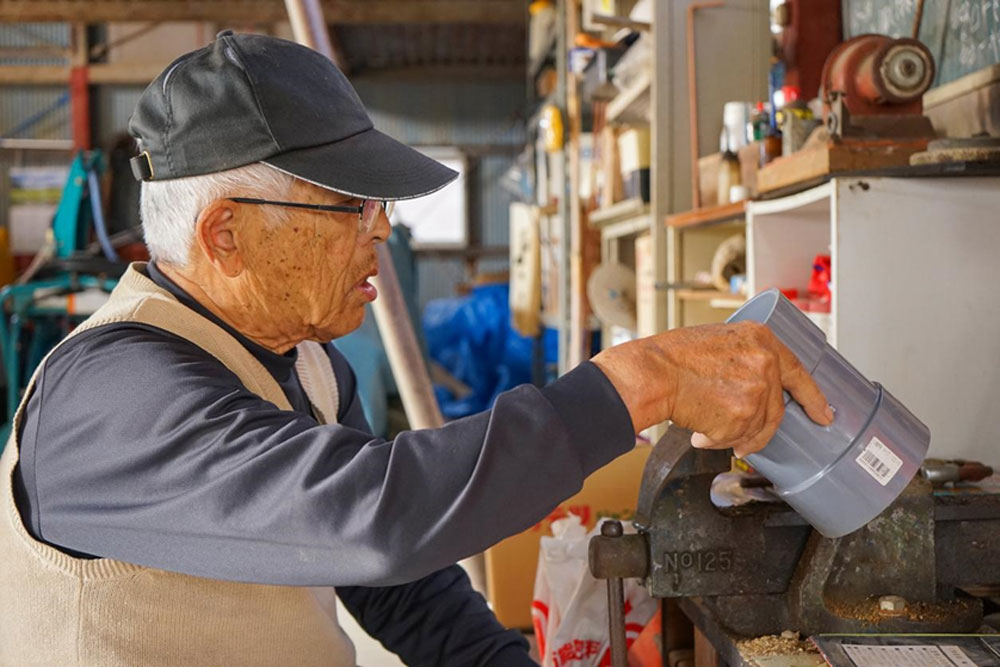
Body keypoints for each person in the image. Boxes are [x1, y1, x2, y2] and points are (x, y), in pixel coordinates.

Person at [0, 32, 832, 666]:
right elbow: (374, 517)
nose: (381, 231)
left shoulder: (303, 362)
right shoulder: (110, 395)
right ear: (226, 233)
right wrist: (637, 381)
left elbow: (396, 583)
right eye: (350, 208)